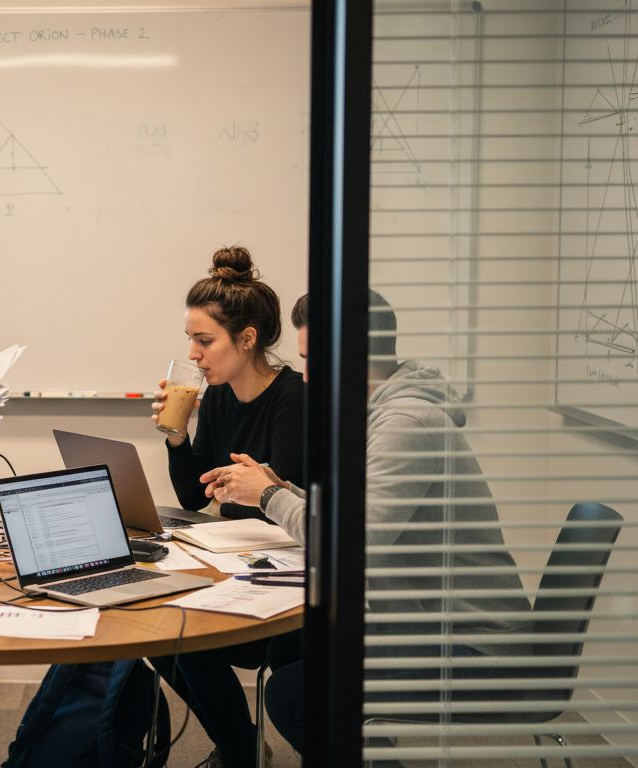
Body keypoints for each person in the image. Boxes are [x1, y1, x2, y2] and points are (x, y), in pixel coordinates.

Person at [203, 291, 532, 759]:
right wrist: (282, 488)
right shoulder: (380, 414)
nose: (309, 375)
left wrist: (269, 496)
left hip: (474, 645)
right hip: (426, 622)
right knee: (287, 650)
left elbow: (351, 543)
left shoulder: (407, 422)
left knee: (294, 696)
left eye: (316, 358)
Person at [148, 245, 305, 768]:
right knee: (157, 626)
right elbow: (195, 497)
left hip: (290, 580)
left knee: (186, 635)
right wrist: (176, 435)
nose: (193, 354)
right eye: (190, 339)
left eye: (203, 340)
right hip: (239, 562)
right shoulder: (213, 395)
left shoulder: (294, 398)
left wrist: (252, 484)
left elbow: (284, 497)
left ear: (247, 339)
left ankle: (238, 752)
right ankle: (241, 745)